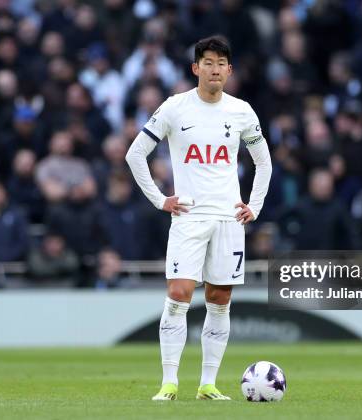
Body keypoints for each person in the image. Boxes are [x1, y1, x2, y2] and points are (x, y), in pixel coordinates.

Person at [125, 36, 272, 401]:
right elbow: (135, 154)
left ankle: (207, 384)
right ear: (196, 68)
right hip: (189, 216)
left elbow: (263, 162)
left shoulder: (242, 111)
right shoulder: (176, 107)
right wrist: (160, 200)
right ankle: (169, 382)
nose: (215, 69)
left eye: (221, 63)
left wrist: (255, 204)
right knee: (179, 293)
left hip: (228, 218)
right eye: (208, 62)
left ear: (230, 70)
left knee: (219, 298)